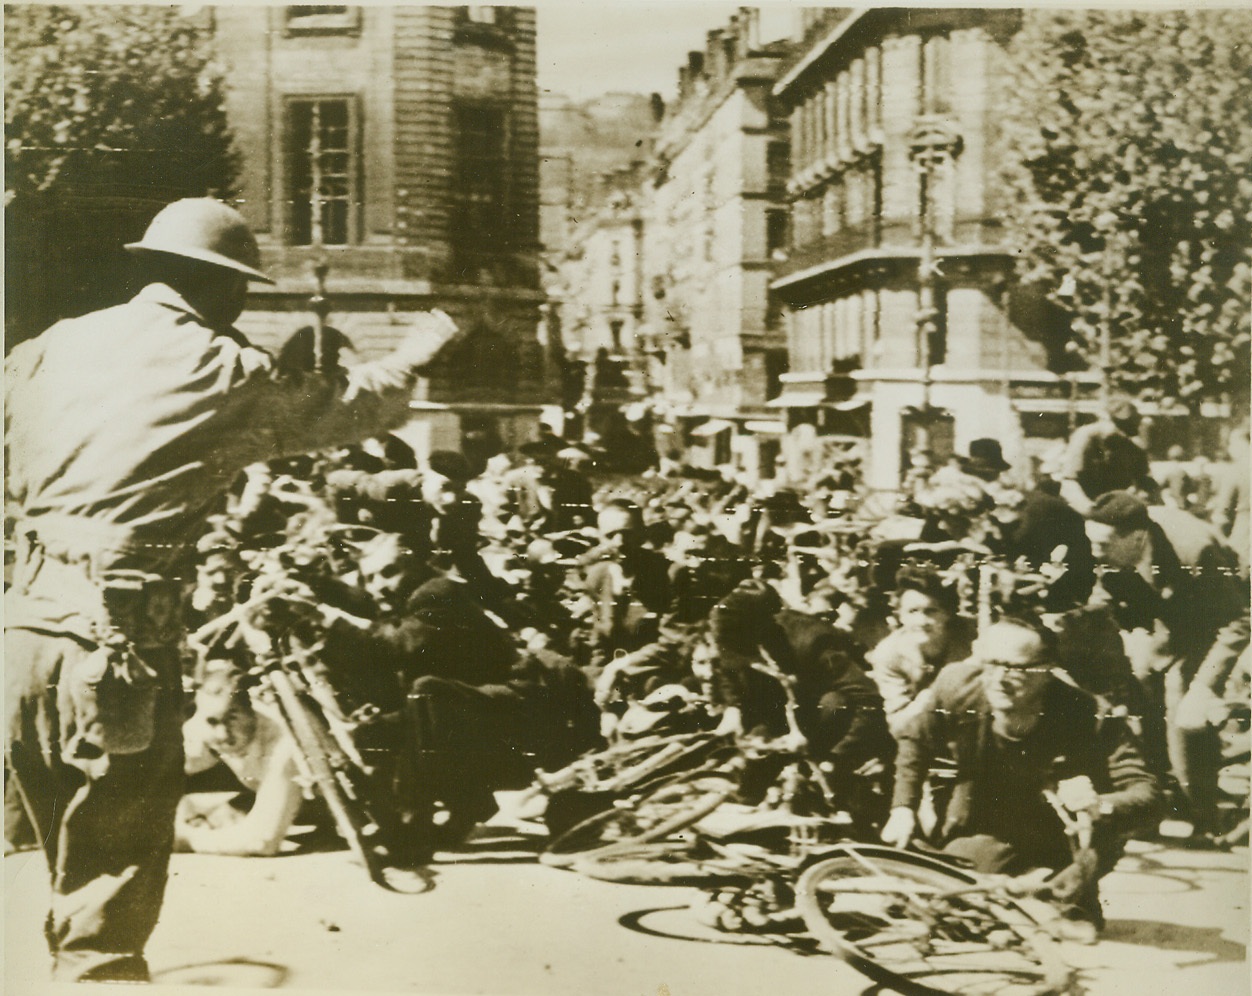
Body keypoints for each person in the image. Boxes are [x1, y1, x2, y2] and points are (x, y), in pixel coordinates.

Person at [3, 197, 460, 982]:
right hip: (116, 648)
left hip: (23, 633)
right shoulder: (223, 367)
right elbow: (340, 410)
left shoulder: (51, 346)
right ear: (222, 287)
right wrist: (413, 353)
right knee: (107, 905)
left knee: (63, 868)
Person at [881, 617, 1161, 937]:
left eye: (1016, 668)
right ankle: (1027, 898)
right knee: (954, 906)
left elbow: (1148, 794)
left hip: (1060, 832)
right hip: (988, 825)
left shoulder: (1090, 714)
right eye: (992, 663)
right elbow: (914, 739)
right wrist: (903, 807)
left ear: (1046, 671)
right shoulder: (957, 686)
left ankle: (1070, 896)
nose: (999, 679)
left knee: (1055, 894)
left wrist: (1101, 804)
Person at [1084, 490, 1248, 842]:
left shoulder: (1195, 549)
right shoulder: (1110, 544)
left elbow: (1240, 619)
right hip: (1165, 617)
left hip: (1213, 614)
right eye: (1092, 543)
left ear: (1137, 538)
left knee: (1183, 706)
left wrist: (1205, 687)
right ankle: (1152, 806)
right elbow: (1105, 598)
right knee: (1140, 688)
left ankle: (1203, 815)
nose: (1096, 552)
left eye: (1104, 545)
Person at [176, 661, 304, 858]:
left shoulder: (284, 742)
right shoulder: (205, 724)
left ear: (251, 709)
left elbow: (262, 841)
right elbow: (160, 771)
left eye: (232, 718)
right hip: (272, 793)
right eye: (212, 721)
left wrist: (184, 839)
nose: (221, 734)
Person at [865, 566, 975, 740]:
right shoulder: (888, 654)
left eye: (931, 611)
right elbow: (897, 725)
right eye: (912, 611)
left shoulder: (973, 636)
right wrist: (932, 695)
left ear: (947, 613)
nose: (922, 621)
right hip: (922, 732)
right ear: (900, 615)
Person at [1058, 399, 1153, 514]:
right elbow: (1068, 483)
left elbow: (1144, 481)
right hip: (1086, 506)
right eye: (1117, 423)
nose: (1120, 430)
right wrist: (1090, 510)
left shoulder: (1131, 445)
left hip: (1117, 508)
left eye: (1127, 426)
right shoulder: (1086, 436)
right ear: (1104, 419)